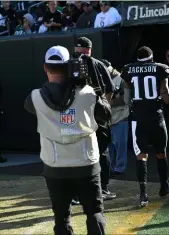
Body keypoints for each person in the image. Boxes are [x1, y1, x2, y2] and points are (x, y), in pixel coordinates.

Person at [24, 45, 109, 235]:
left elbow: (35, 106)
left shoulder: (34, 97)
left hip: (55, 166)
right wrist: (91, 85)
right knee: (94, 212)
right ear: (69, 67)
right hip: (86, 162)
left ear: (45, 68)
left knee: (61, 218)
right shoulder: (88, 93)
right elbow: (106, 115)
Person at [121, 46, 169, 207]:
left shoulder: (128, 69)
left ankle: (143, 195)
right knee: (160, 153)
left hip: (138, 118)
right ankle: (164, 187)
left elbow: (126, 97)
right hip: (156, 116)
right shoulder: (160, 68)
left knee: (141, 155)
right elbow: (167, 98)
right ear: (151, 58)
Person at [74, 37, 116, 201]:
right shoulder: (98, 64)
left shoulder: (69, 64)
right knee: (102, 152)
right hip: (97, 117)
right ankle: (102, 189)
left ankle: (77, 193)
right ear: (89, 50)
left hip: (76, 117)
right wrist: (103, 108)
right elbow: (110, 90)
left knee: (77, 154)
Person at [101, 59, 130, 176]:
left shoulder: (121, 79)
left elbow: (126, 100)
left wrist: (109, 102)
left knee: (120, 145)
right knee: (108, 147)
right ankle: (108, 167)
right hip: (107, 119)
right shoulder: (101, 79)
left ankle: (119, 167)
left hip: (120, 117)